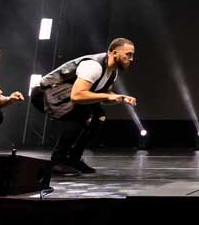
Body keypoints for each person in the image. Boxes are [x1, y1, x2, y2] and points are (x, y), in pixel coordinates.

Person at [33, 38, 137, 176]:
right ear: (114, 53)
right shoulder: (94, 66)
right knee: (80, 117)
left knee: (98, 117)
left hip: (67, 94)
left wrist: (120, 97)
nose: (131, 59)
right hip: (47, 93)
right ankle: (57, 162)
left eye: (132, 55)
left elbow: (103, 94)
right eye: (128, 54)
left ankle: (73, 159)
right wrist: (107, 97)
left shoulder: (112, 72)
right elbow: (77, 96)